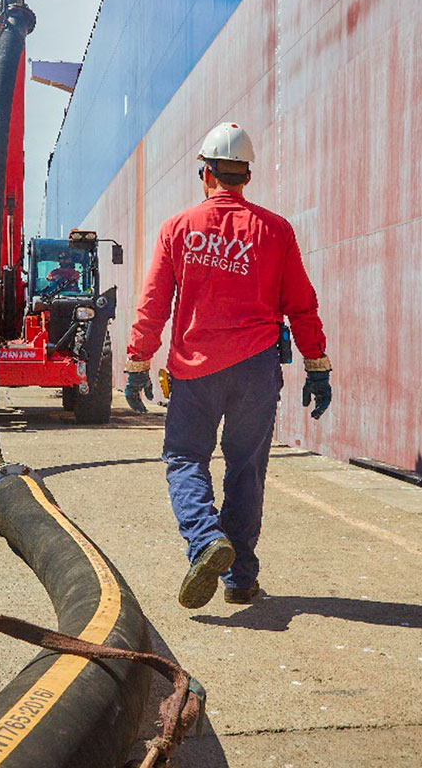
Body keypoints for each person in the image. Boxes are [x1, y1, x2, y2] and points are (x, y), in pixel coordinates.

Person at [123, 121, 331, 609]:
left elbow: (154, 303)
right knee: (245, 469)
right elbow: (302, 304)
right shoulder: (276, 230)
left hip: (195, 370)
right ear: (246, 177)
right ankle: (240, 578)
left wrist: (137, 362)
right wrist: (317, 364)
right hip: (257, 370)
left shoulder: (178, 228)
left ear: (206, 172)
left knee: (185, 458)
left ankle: (204, 541)